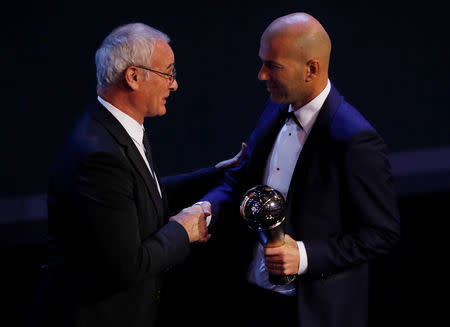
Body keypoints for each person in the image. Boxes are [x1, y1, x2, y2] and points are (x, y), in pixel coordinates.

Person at [199, 12, 401, 327]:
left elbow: (381, 233)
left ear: (312, 69)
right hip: (254, 300)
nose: (261, 76)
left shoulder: (354, 139)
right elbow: (242, 177)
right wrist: (204, 209)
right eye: (262, 62)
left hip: (312, 313)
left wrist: (304, 256)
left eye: (273, 66)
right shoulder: (275, 107)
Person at [44, 23, 245, 327]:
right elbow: (128, 266)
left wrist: (214, 174)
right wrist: (184, 230)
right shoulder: (99, 155)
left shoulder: (114, 127)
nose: (174, 85)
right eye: (169, 73)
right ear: (134, 77)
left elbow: (141, 192)